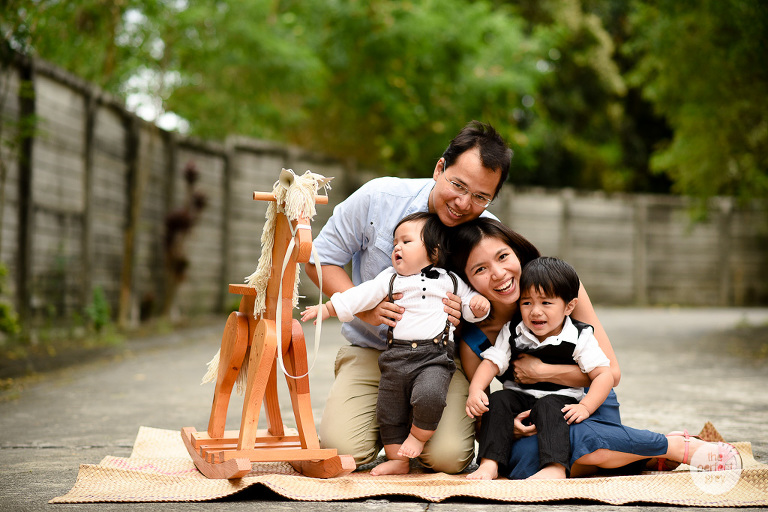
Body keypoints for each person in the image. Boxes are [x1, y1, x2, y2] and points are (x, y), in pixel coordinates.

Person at [448, 217, 742, 478]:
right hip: (534, 423)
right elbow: (482, 415)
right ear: (467, 281)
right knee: (523, 463)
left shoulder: (558, 286)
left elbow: (611, 373)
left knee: (584, 443)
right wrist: (509, 424)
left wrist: (542, 371)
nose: (498, 273)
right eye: (481, 269)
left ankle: (675, 446)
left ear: (516, 252)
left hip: (584, 406)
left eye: (503, 256)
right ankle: (643, 457)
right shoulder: (474, 339)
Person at [305, 121, 510, 473]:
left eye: (480, 197)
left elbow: (506, 296)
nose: (463, 204)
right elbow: (318, 259)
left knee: (448, 459)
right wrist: (364, 308)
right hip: (372, 350)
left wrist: (472, 310)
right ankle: (386, 435)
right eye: (457, 185)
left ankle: (413, 440)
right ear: (439, 168)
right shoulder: (379, 199)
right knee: (344, 454)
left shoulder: (486, 231)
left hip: (440, 359)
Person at [302, 212, 490, 475]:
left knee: (430, 394)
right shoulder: (389, 278)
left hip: (434, 357)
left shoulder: (450, 280)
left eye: (406, 241)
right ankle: (398, 460)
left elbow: (469, 305)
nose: (397, 247)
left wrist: (478, 307)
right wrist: (329, 308)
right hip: (395, 358)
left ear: (434, 253)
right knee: (389, 409)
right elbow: (360, 295)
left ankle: (417, 437)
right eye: (394, 243)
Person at [466, 256, 613, 480]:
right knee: (498, 400)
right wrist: (476, 389)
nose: (535, 311)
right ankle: (489, 463)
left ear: (569, 306)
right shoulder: (514, 330)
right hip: (520, 398)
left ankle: (555, 467)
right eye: (527, 303)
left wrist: (586, 406)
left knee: (549, 406)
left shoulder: (579, 335)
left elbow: (604, 374)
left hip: (560, 400)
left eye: (546, 303)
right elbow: (492, 362)